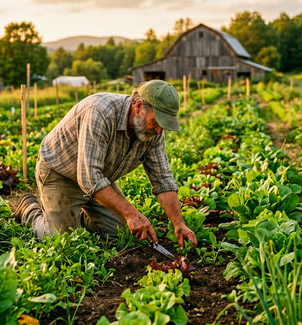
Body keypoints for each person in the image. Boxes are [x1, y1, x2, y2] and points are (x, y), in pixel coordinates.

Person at [12, 79, 197, 249]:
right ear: (139, 106)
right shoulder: (100, 112)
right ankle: (30, 210)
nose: (159, 130)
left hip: (99, 178)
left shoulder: (152, 133)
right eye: (156, 122)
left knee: (121, 234)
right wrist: (131, 213)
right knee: (63, 242)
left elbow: (162, 178)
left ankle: (75, 216)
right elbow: (89, 178)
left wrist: (178, 223)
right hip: (60, 174)